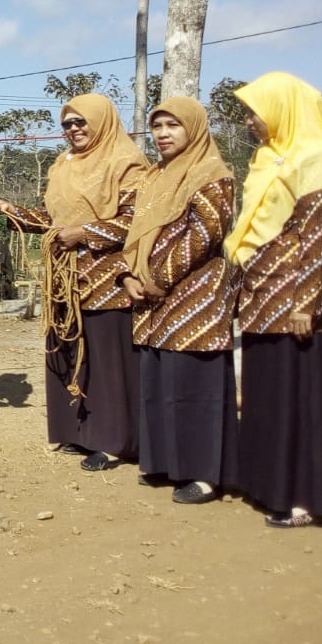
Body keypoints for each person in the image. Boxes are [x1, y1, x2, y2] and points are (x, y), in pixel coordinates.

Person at [0, 94, 147, 473]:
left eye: (81, 123)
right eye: (67, 124)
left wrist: (84, 233)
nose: (73, 130)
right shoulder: (62, 165)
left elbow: (136, 219)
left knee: (106, 359)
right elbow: (50, 218)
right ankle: (79, 432)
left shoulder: (128, 163)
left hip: (108, 277)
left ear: (101, 122)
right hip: (63, 277)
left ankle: (115, 441)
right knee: (68, 353)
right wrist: (11, 210)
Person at [225, 72, 322, 529]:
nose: (252, 121)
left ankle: (302, 497)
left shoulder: (314, 160)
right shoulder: (267, 158)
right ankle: (265, 482)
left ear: (284, 109)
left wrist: (305, 304)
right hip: (259, 294)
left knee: (295, 395)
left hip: (292, 299)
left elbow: (315, 241)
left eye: (258, 111)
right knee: (265, 394)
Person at [118, 97, 238, 505]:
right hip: (153, 299)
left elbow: (203, 236)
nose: (163, 134)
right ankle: (166, 462)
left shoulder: (212, 174)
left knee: (195, 383)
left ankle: (204, 474)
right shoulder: (156, 176)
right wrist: (129, 275)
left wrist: (159, 279)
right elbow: (132, 231)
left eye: (173, 126)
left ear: (195, 128)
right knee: (160, 381)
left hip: (195, 296)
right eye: (158, 126)